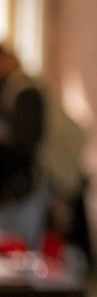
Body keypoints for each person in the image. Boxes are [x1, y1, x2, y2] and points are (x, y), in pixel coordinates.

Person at [0, 45, 49, 249]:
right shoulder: (9, 90)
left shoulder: (24, 92)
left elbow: (24, 145)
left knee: (20, 251)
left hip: (22, 189)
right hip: (11, 188)